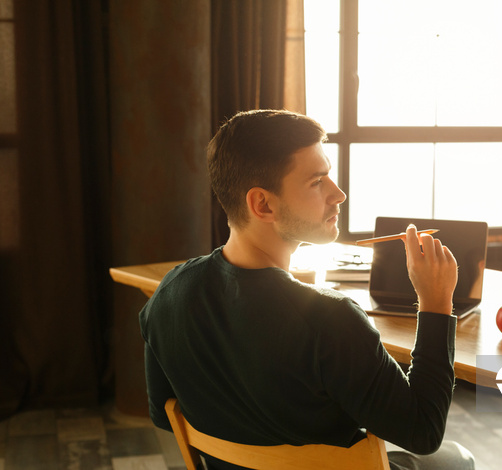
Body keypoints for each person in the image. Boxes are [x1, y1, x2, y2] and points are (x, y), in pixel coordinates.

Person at [140, 109, 475, 470]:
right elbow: (423, 431)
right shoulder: (332, 321)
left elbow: (164, 414)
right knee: (457, 459)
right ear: (262, 204)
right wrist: (436, 303)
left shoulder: (169, 293)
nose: (339, 194)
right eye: (317, 182)